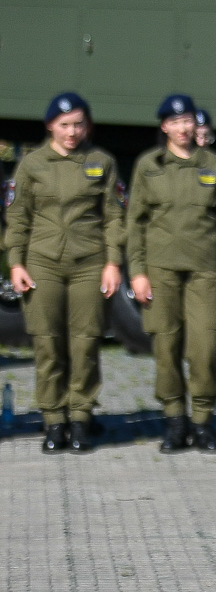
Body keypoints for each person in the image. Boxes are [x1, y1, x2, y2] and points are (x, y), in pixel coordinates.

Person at [6, 92, 122, 454]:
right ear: (50, 126)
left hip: (89, 263)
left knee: (85, 343)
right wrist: (16, 262)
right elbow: (18, 216)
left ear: (88, 126)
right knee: (48, 343)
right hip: (42, 263)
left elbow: (113, 216)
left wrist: (113, 263)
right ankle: (54, 419)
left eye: (79, 124)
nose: (72, 132)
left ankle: (81, 417)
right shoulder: (32, 164)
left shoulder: (101, 162)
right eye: (65, 125)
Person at [126, 93, 216, 453]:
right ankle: (175, 421)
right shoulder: (148, 166)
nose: (183, 128)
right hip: (160, 271)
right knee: (166, 347)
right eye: (175, 122)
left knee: (205, 348)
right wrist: (137, 272)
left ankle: (203, 422)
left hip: (204, 271)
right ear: (164, 127)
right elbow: (135, 223)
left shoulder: (214, 165)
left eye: (188, 120)